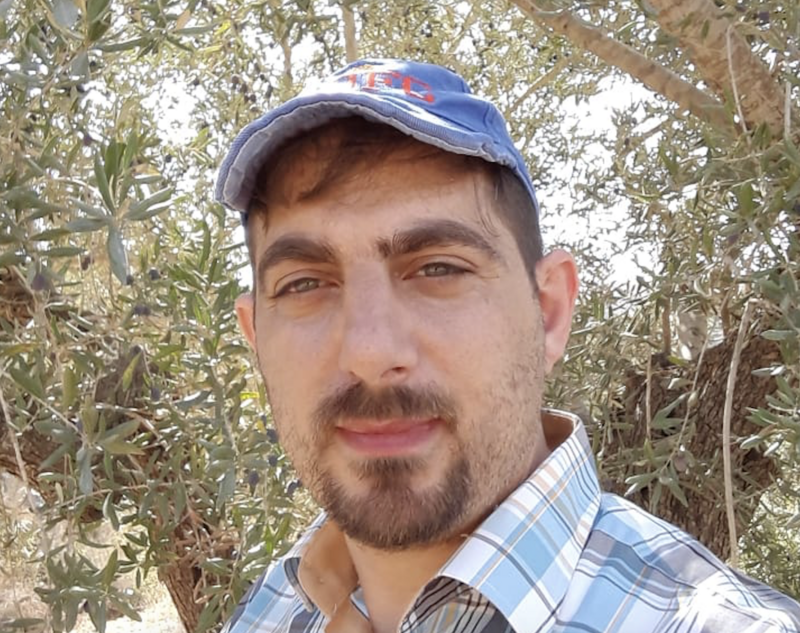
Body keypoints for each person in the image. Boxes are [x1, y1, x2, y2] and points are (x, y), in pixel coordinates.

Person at [215, 59, 800, 633]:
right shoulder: (273, 608)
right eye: (305, 284)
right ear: (257, 339)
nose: (369, 352)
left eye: (438, 268)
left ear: (548, 312)